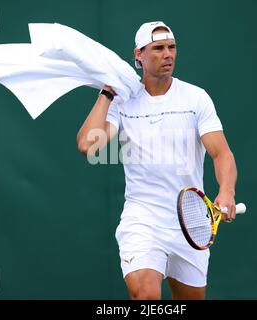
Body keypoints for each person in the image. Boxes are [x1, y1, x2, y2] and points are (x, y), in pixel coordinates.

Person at [76, 21, 238, 300]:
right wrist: (107, 93)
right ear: (138, 54)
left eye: (172, 47)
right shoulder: (122, 100)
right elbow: (88, 145)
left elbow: (221, 153)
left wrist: (226, 191)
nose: (168, 54)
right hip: (143, 220)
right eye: (158, 48)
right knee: (145, 296)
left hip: (192, 224)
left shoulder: (196, 98)